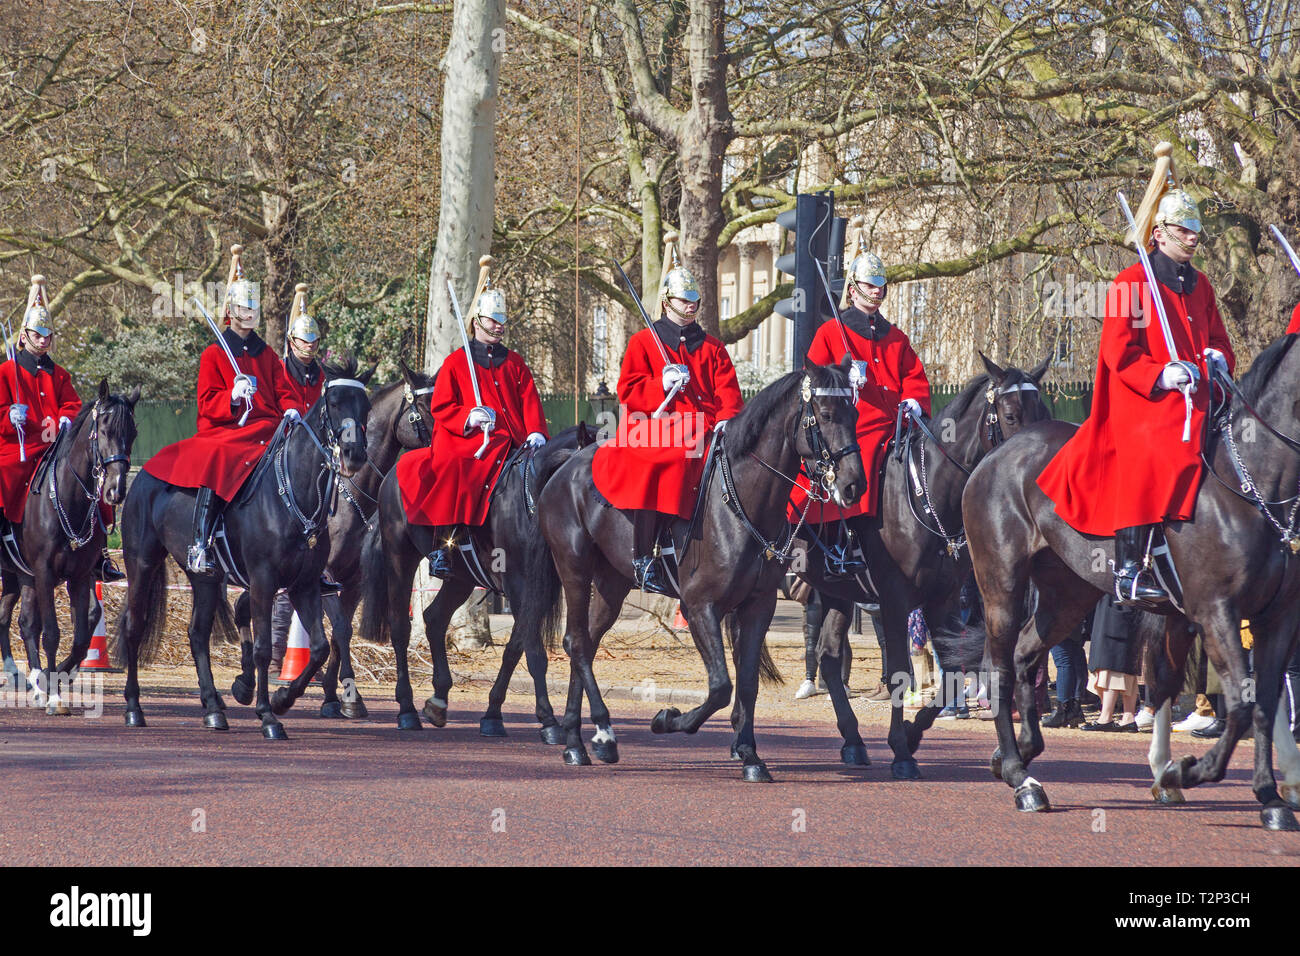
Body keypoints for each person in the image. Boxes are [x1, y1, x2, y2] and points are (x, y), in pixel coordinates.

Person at [1037, 142, 1235, 605]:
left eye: (1195, 232)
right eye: (1184, 231)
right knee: (1151, 451)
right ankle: (1128, 568)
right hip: (1145, 403)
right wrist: (1161, 375)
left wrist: (1217, 360)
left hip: (1198, 396)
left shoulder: (1200, 284)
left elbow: (1219, 339)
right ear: (1160, 232)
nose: (1192, 239)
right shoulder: (1132, 282)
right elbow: (1118, 353)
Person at [591, 232, 744, 593]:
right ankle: (644, 556)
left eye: (694, 300)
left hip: (704, 425)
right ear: (666, 301)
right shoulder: (644, 343)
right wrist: (661, 382)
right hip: (655, 424)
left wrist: (726, 419)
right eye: (683, 300)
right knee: (664, 462)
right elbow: (628, 391)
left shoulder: (713, 347)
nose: (690, 306)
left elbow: (728, 392)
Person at [142, 244, 305, 573]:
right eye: (245, 307)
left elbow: (285, 391)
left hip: (268, 428)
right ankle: (201, 541)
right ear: (232, 309)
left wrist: (291, 409)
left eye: (254, 307)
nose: (251, 312)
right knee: (218, 456)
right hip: (228, 431)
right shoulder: (213, 355)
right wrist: (231, 396)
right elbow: (205, 404)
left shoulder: (268, 355)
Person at [397, 255, 548, 575]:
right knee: (455, 467)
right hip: (465, 439)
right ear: (476, 322)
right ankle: (443, 547)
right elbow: (441, 407)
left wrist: (535, 430)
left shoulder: (515, 362)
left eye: (501, 321)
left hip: (512, 439)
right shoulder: (455, 362)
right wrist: (469, 417)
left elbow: (529, 399)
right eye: (492, 321)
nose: (498, 326)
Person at [795, 218, 930, 524]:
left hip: (898, 424)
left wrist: (914, 401)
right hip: (854, 425)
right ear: (853, 291)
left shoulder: (896, 337)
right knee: (863, 454)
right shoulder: (831, 332)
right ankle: (854, 528)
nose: (877, 291)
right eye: (870, 285)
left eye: (880, 285)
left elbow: (914, 376)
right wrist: (843, 377)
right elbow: (813, 380)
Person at [0, 275, 123, 581]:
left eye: (47, 336)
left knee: (89, 482)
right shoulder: (6, 372)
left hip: (56, 445)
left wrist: (67, 418)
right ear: (24, 336)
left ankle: (100, 553)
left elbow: (73, 405)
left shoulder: (61, 375)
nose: (43, 341)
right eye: (37, 335)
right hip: (20, 445)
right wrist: (8, 416)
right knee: (5, 469)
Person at [1080, 595, 1142, 732]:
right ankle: (1128, 718)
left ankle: (1106, 717)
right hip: (1119, 601)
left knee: (1112, 662)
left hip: (1121, 599)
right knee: (1120, 664)